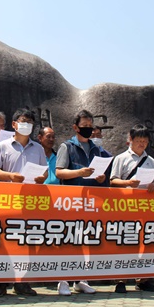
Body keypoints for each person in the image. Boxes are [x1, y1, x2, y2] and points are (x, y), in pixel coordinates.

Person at [0, 108, 47, 297]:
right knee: (3, 242)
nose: (26, 125)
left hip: (29, 201)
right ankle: (0, 283)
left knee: (27, 242)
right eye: (23, 121)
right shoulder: (3, 145)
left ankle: (22, 283)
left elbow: (45, 171)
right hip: (7, 200)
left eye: (30, 122)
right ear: (14, 124)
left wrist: (41, 178)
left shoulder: (37, 147)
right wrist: (11, 176)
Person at [55, 109, 108, 295]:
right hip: (71, 201)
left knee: (84, 241)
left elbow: (103, 173)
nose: (88, 129)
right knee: (67, 240)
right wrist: (79, 172)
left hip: (90, 202)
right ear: (75, 127)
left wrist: (101, 178)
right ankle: (62, 280)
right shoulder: (67, 146)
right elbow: (59, 172)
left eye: (90, 126)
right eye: (84, 126)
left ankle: (80, 279)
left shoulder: (97, 148)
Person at [110, 124, 154, 294]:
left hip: (146, 208)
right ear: (130, 140)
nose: (142, 144)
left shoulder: (151, 161)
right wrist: (128, 183)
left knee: (145, 243)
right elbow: (113, 180)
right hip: (125, 207)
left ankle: (143, 279)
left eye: (145, 141)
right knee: (124, 243)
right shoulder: (121, 158)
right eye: (138, 141)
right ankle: (121, 280)